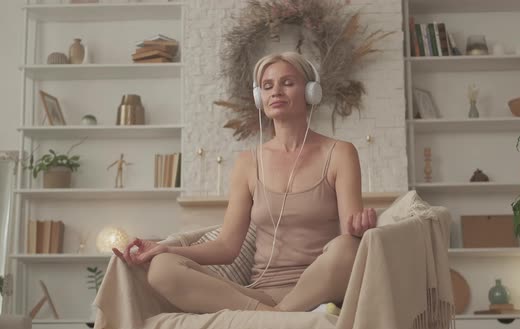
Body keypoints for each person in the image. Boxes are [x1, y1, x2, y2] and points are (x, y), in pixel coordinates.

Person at [113, 51, 377, 313]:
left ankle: (272, 319)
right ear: (259, 97)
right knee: (162, 269)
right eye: (267, 86)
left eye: (288, 83)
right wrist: (166, 248)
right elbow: (227, 246)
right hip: (258, 295)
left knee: (347, 248)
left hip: (317, 290)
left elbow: (348, 237)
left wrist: (358, 231)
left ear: (311, 92)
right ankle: (279, 318)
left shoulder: (340, 153)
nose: (276, 92)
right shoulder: (247, 163)